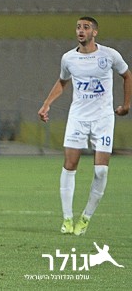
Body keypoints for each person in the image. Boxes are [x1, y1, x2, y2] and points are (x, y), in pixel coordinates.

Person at [38, 17, 130, 236]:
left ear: (94, 32)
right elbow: (62, 81)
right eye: (78, 27)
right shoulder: (68, 58)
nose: (81, 30)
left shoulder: (109, 55)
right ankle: (67, 218)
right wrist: (46, 104)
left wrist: (127, 105)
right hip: (78, 118)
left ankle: (86, 218)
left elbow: (127, 76)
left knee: (101, 171)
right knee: (70, 165)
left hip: (103, 119)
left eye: (86, 27)